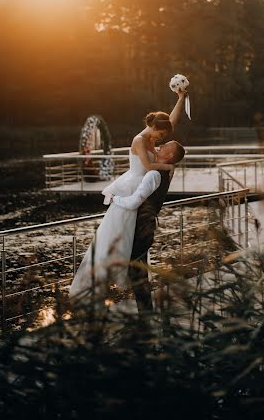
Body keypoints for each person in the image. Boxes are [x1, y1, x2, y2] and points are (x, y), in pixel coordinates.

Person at [69, 91, 187, 303]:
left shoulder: (154, 136)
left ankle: (130, 289)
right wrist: (169, 166)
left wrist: (181, 98)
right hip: (135, 186)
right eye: (161, 135)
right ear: (154, 128)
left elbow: (172, 120)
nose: (162, 139)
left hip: (143, 189)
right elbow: (149, 166)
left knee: (130, 244)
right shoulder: (140, 140)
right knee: (115, 242)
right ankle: (99, 288)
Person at [111, 141, 186, 316]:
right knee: (140, 271)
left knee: (137, 272)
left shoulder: (154, 174)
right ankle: (146, 312)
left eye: (167, 145)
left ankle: (145, 315)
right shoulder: (165, 171)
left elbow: (134, 202)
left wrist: (115, 199)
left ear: (168, 155)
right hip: (146, 226)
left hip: (141, 228)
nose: (162, 144)